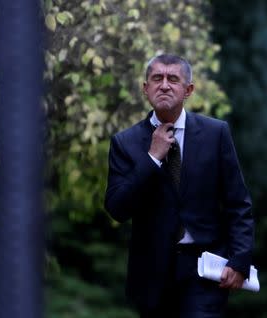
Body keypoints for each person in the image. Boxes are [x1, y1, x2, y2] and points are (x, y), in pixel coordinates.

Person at [104, 54, 254, 318]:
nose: (164, 85)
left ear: (188, 90)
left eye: (173, 79)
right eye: (157, 78)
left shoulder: (215, 133)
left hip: (204, 272)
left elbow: (238, 202)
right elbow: (117, 208)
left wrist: (239, 260)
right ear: (145, 88)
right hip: (151, 277)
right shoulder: (124, 143)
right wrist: (151, 158)